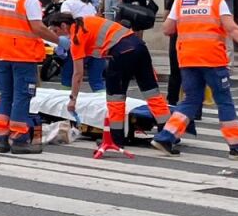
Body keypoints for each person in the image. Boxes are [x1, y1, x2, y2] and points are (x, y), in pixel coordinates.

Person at [152, 0, 238, 158]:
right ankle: (236, 146)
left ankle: (165, 137)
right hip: (212, 59)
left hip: (187, 59)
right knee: (224, 101)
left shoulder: (180, 1)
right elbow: (232, 29)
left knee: (190, 100)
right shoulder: (217, 2)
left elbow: (167, 29)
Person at [46, 11, 172, 148]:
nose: (56, 34)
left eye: (55, 30)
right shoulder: (88, 20)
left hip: (121, 53)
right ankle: (166, 137)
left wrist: (73, 99)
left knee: (115, 99)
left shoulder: (76, 38)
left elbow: (78, 74)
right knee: (152, 93)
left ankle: (116, 140)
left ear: (64, 26)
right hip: (139, 47)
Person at [0, 0, 60, 154]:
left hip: (1, 54)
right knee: (22, 96)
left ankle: (1, 138)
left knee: (5, 95)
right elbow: (38, 28)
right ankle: (19, 139)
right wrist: (60, 41)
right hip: (23, 55)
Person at [57, 0, 104, 92]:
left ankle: (66, 98)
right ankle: (103, 100)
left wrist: (61, 43)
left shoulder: (67, 4)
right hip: (97, 42)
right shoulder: (89, 5)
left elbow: (66, 24)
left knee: (68, 76)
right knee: (97, 79)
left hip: (79, 42)